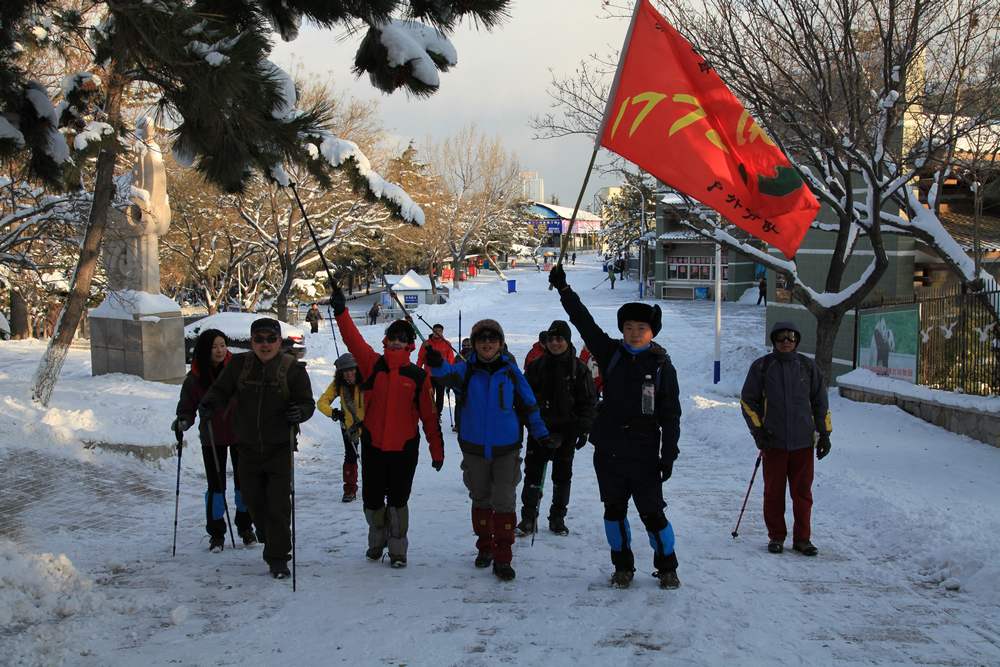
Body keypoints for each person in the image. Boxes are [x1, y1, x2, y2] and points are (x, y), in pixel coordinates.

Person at [548, 264, 682, 590]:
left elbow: (671, 415)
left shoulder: (662, 366)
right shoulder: (611, 354)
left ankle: (667, 567)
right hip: (609, 449)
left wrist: (669, 454)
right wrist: (565, 290)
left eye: (642, 327)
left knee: (653, 513)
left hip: (645, 451)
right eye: (629, 326)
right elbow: (583, 322)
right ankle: (622, 566)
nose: (635, 332)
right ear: (622, 329)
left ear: (652, 331)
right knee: (614, 512)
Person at [425, 319, 550, 582]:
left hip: (506, 448)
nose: (487, 344)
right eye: (482, 339)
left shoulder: (511, 372)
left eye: (492, 339)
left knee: (504, 501)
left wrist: (541, 434)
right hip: (474, 448)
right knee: (480, 498)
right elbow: (443, 374)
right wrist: (435, 362)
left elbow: (529, 404)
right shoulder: (465, 371)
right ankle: (485, 548)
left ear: (501, 344)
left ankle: (503, 557)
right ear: (476, 344)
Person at [331, 287, 444, 568]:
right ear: (385, 340)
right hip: (374, 446)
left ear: (409, 345)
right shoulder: (372, 365)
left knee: (397, 501)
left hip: (404, 449)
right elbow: (353, 340)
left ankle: (397, 550)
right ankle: (376, 541)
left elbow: (429, 417)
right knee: (371, 501)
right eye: (392, 337)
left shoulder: (418, 377)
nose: (395, 342)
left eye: (401, 338)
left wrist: (437, 451)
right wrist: (341, 312)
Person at [199, 318, 315, 579]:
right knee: (253, 502)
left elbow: (307, 403)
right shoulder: (239, 366)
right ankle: (267, 534)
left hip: (279, 448)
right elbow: (220, 390)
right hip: (247, 448)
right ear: (251, 342)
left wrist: (300, 412)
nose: (265, 344)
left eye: (270, 339)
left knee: (278, 505)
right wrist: (209, 404)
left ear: (279, 340)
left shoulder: (292, 369)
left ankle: (278, 558)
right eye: (259, 339)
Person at [741, 321, 832, 557]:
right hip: (774, 442)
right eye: (781, 337)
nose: (786, 342)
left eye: (791, 337)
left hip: (803, 443)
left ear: (797, 340)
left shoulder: (808, 367)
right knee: (774, 493)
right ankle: (776, 537)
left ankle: (803, 539)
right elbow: (747, 402)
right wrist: (759, 431)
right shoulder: (762, 367)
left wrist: (825, 434)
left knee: (802, 494)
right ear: (774, 341)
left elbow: (821, 403)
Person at [173, 329, 255, 552]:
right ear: (204, 349)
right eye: (214, 346)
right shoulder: (196, 377)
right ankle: (216, 532)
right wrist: (182, 420)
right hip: (212, 435)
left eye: (222, 345)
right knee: (216, 486)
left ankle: (246, 526)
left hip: (239, 433)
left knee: (244, 483)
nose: (220, 350)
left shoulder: (236, 369)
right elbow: (187, 407)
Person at [519, 320, 596, 536]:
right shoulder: (536, 367)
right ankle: (528, 517)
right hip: (539, 431)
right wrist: (532, 426)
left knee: (562, 477)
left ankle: (558, 517)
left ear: (567, 341)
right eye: (551, 339)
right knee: (533, 475)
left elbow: (589, 402)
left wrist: (583, 429)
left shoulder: (579, 369)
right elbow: (524, 400)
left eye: (559, 339)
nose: (555, 343)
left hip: (567, 432)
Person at [317, 353, 365, 503]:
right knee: (350, 457)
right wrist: (333, 413)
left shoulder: (367, 381)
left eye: (352, 370)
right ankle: (350, 489)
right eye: (345, 371)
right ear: (340, 373)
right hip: (349, 426)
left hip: (369, 425)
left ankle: (376, 486)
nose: (349, 374)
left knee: (372, 457)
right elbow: (321, 402)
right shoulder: (338, 385)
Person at [417, 323, 456, 415]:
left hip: (442, 375)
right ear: (432, 331)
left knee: (440, 395)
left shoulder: (447, 344)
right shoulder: (426, 344)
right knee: (429, 395)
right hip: (429, 374)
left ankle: (438, 414)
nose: (437, 333)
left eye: (439, 331)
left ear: (442, 332)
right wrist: (418, 370)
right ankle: (431, 413)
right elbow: (421, 358)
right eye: (435, 331)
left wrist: (451, 372)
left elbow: (450, 359)